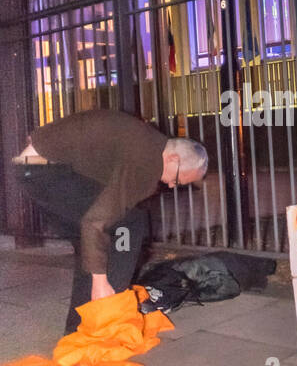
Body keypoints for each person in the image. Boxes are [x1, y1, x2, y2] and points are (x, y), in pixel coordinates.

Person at [13, 108, 208, 334]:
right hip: (44, 173)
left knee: (97, 242)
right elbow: (94, 222)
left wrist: (41, 139)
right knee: (128, 224)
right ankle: (106, 309)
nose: (173, 186)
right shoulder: (146, 162)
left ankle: (80, 329)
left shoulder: (148, 140)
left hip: (36, 167)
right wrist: (100, 282)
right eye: (177, 180)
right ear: (173, 159)